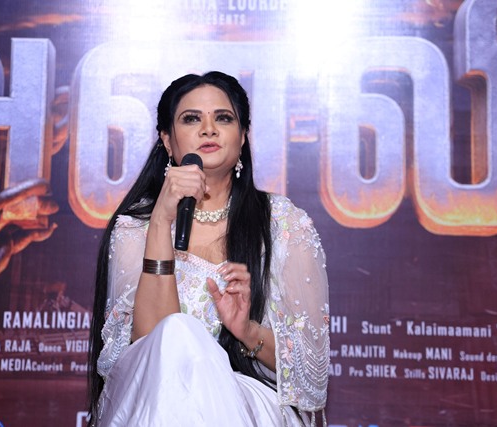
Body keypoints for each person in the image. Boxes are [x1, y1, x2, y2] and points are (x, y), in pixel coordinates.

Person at [88, 71, 330, 426]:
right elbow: (144, 354)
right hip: (157, 404)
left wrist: (247, 331)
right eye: (191, 119)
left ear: (243, 136)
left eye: (223, 118)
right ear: (167, 140)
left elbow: (312, 377)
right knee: (177, 334)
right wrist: (160, 223)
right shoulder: (135, 229)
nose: (208, 129)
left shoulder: (285, 224)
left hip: (249, 405)